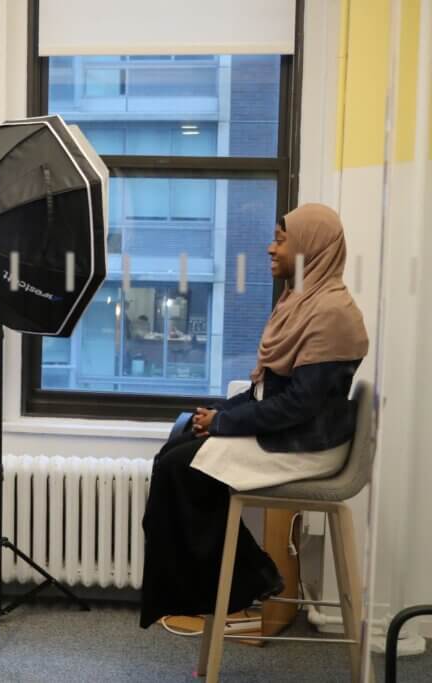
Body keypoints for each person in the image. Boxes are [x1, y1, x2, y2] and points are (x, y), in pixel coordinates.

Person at [139, 203, 369, 629]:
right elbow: (269, 390)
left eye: (282, 239)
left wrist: (224, 423)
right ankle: (235, 582)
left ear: (309, 247)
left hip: (308, 445)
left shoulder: (331, 313)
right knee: (177, 447)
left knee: (179, 467)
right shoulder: (303, 302)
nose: (271, 247)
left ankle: (246, 579)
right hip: (297, 432)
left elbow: (300, 405)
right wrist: (219, 413)